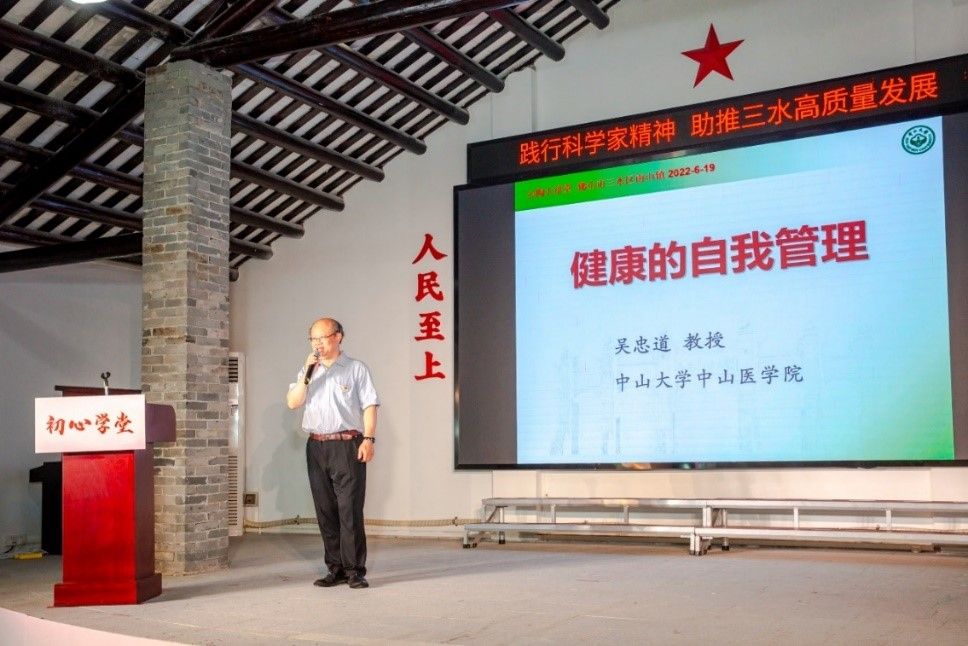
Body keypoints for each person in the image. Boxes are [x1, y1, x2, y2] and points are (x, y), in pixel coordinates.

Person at [286, 317, 379, 589]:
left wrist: (369, 438)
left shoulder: (356, 369)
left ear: (338, 337)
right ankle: (335, 568)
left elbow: (370, 405)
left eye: (322, 338)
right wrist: (307, 373)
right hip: (316, 446)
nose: (317, 344)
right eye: (313, 339)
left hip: (347, 444)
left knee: (349, 509)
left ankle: (354, 570)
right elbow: (293, 402)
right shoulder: (308, 370)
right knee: (325, 510)